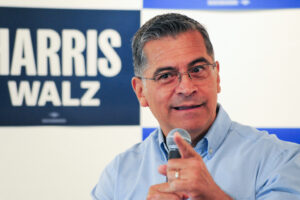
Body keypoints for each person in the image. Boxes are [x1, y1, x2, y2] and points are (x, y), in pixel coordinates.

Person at [91, 13, 300, 200]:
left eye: (197, 69)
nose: (187, 87)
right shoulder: (118, 175)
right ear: (141, 92)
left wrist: (214, 197)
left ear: (216, 76)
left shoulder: (281, 161)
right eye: (166, 76)